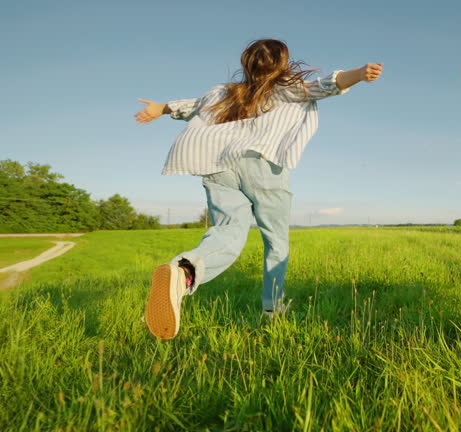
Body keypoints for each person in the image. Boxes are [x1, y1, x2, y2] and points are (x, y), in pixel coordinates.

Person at [135, 39, 382, 339]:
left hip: (216, 165)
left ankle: (183, 273)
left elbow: (192, 106)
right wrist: (359, 73)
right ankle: (272, 308)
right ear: (282, 64)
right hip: (262, 164)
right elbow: (326, 85)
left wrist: (160, 108)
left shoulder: (222, 93)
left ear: (246, 65)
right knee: (276, 241)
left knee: (227, 232)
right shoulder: (286, 88)